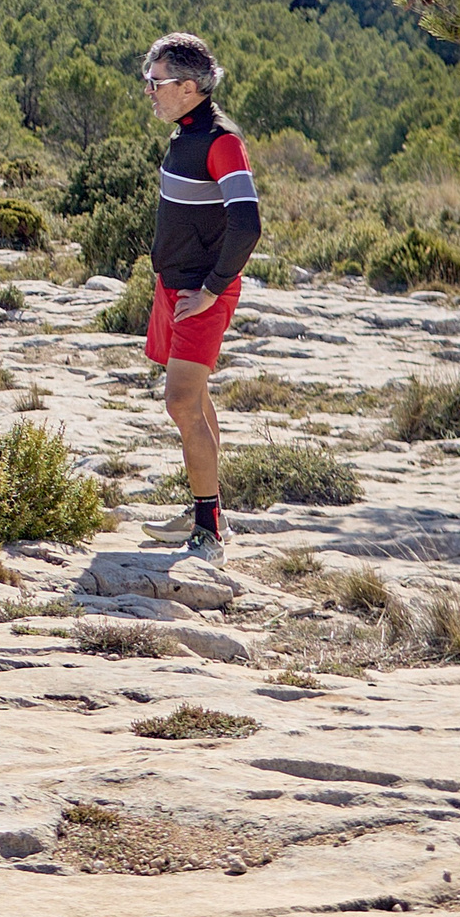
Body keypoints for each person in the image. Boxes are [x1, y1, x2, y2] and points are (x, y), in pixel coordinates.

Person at [138, 32, 260, 558]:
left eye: (157, 82)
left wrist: (212, 290)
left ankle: (208, 532)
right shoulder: (184, 134)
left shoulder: (221, 141)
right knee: (197, 399)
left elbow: (247, 224)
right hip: (174, 288)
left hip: (199, 294)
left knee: (181, 402)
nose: (150, 91)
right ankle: (206, 513)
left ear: (189, 87)